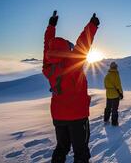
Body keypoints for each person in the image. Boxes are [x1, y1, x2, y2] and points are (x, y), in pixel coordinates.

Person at [42, 10, 100, 163]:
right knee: (81, 152)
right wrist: (92, 24)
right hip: (78, 116)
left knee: (61, 148)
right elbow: (83, 42)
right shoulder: (74, 61)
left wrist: (51, 26)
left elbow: (47, 48)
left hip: (59, 116)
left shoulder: (48, 67)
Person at [104, 62, 123, 126]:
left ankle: (106, 119)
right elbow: (118, 85)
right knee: (114, 109)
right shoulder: (116, 75)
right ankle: (114, 122)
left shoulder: (107, 75)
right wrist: (121, 93)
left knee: (108, 107)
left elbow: (105, 85)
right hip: (115, 95)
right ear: (115, 67)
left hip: (108, 95)